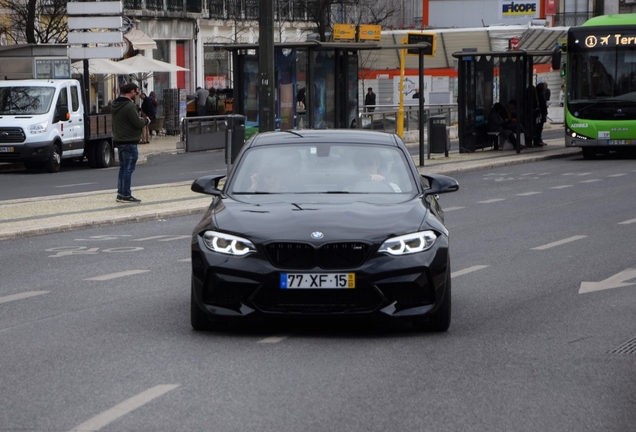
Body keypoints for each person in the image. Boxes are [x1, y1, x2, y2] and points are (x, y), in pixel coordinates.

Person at [112, 83, 151, 203]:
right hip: (129, 141)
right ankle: (125, 194)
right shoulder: (129, 106)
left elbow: (125, 120)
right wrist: (146, 121)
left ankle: (120, 193)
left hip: (120, 139)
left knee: (123, 168)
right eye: (136, 92)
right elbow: (137, 123)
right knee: (128, 169)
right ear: (131, 92)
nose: (137, 94)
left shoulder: (116, 104)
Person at [535, 82, 548, 147]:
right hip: (540, 113)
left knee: (539, 127)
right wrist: (545, 113)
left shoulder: (538, 94)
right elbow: (543, 105)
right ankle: (538, 140)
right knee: (539, 127)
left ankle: (539, 140)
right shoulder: (541, 95)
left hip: (539, 113)